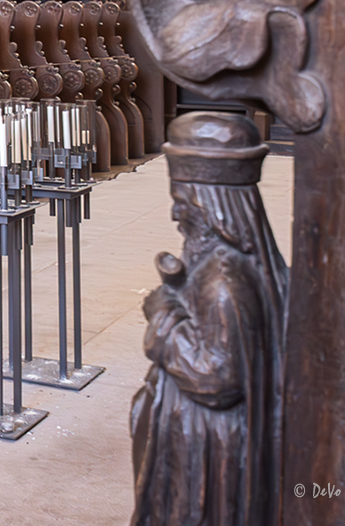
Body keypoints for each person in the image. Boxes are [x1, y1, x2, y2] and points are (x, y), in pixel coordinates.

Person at [131, 112, 288, 526]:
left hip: (209, 447)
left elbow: (215, 377)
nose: (174, 213)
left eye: (181, 199)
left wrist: (163, 316)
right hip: (198, 434)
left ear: (209, 202)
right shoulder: (220, 265)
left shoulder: (224, 282)